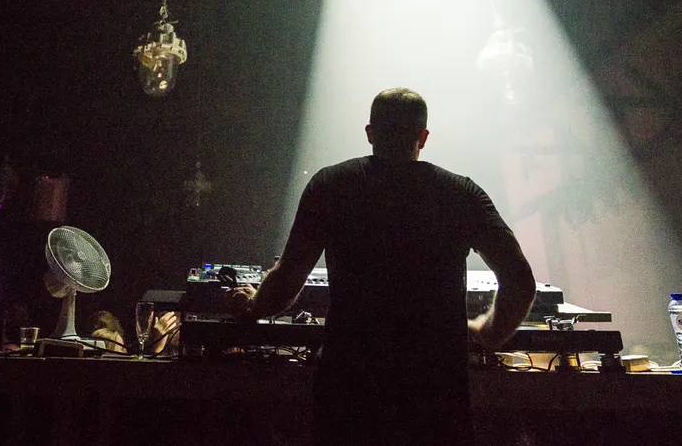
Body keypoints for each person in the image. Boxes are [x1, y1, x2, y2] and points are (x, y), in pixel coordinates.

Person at [228, 87, 536, 446]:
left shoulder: (330, 186)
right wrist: (489, 333)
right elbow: (519, 281)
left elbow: (288, 278)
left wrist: (253, 306)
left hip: (349, 388)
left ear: (370, 133)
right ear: (423, 137)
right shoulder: (462, 194)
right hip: (434, 395)